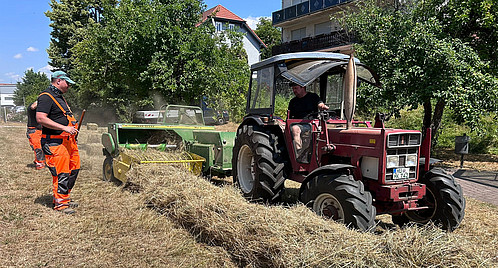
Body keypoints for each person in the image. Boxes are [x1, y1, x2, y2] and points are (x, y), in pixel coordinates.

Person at [36, 71, 80, 214]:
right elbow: (41, 118)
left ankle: (64, 197)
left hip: (68, 141)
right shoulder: (46, 97)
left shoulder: (59, 97)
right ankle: (60, 204)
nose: (69, 86)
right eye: (67, 83)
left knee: (74, 169)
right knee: (61, 173)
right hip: (55, 142)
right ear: (59, 81)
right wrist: (63, 127)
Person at [287, 82, 329, 161]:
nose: (294, 91)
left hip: (312, 124)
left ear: (303, 87)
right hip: (298, 125)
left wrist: (322, 106)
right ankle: (299, 156)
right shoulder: (293, 102)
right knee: (295, 129)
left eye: (296, 88)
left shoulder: (313, 97)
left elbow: (319, 104)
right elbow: (289, 117)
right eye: (293, 89)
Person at [26, 101, 45, 169]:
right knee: (38, 148)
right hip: (33, 130)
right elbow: (33, 106)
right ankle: (40, 163)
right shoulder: (32, 107)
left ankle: (39, 161)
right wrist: (42, 100)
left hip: (40, 130)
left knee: (43, 147)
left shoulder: (41, 109)